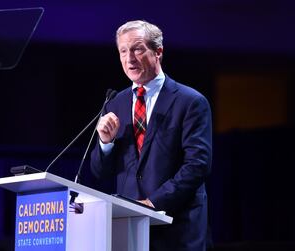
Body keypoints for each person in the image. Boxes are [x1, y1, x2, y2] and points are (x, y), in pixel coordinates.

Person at [90, 20, 212, 251]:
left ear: (158, 52)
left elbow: (197, 165)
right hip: (128, 232)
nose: (129, 58)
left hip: (177, 230)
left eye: (137, 49)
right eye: (123, 51)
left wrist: (152, 203)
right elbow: (99, 172)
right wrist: (106, 143)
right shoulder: (115, 103)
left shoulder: (190, 102)